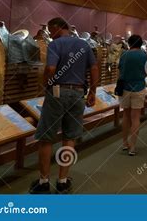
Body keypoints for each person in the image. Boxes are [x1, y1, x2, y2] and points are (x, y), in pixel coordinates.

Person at [30, 17, 99, 194]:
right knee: (70, 137)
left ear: (58, 28)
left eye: (51, 31)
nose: (50, 35)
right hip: (77, 93)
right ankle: (62, 181)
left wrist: (46, 84)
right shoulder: (84, 45)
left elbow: (51, 69)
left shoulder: (56, 44)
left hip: (57, 92)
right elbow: (94, 68)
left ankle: (44, 182)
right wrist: (92, 91)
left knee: (46, 137)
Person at [118, 34, 147, 155]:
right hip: (139, 87)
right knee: (135, 117)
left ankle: (125, 143)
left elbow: (120, 71)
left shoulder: (124, 55)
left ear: (129, 43)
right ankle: (133, 147)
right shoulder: (144, 56)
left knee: (125, 115)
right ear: (140, 44)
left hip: (125, 87)